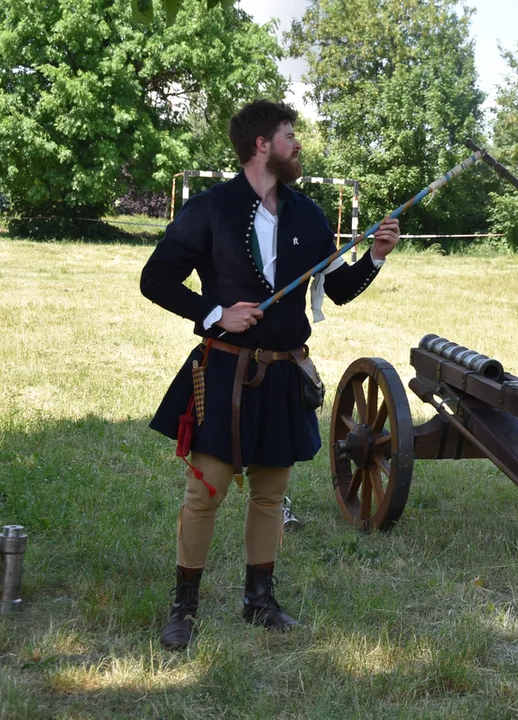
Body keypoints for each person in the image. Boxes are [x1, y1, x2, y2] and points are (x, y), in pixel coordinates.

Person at [140, 100, 400, 650]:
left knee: (269, 492)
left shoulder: (308, 214)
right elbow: (156, 278)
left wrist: (375, 257)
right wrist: (215, 314)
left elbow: (337, 289)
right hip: (224, 372)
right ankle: (184, 607)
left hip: (282, 373)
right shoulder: (211, 208)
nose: (297, 144)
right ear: (262, 145)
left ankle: (259, 599)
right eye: (289, 135)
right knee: (205, 490)